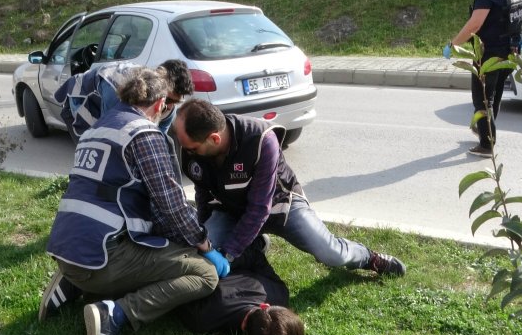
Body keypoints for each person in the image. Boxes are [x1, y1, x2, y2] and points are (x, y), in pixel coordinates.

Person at [42, 67, 230, 335]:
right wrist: (205, 245)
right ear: (159, 104)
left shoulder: (96, 129)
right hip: (102, 257)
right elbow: (171, 207)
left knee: (162, 244)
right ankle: (114, 314)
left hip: (68, 247)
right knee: (204, 274)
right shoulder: (144, 134)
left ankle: (71, 281)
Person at [173, 98, 406, 277]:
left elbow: (259, 209)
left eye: (191, 147)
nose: (186, 151)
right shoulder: (191, 150)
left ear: (214, 139)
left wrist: (229, 252)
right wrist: (205, 237)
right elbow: (202, 194)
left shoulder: (261, 139)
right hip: (230, 209)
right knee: (201, 255)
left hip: (280, 206)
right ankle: (255, 243)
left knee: (330, 253)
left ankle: (368, 257)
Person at [444, 0, 522, 158]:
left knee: (483, 100)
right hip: (511, 52)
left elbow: (475, 24)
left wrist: (453, 45)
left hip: (489, 54)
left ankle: (486, 145)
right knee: (494, 94)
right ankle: (485, 131)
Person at [176, 237, 305, 335]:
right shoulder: (202, 321)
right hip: (218, 248)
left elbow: (255, 256)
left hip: (196, 249)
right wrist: (223, 261)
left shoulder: (279, 293)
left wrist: (222, 263)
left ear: (265, 305)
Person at [54, 59, 193, 144]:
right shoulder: (118, 86)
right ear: (158, 82)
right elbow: (108, 132)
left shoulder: (169, 106)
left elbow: (157, 139)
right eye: (167, 99)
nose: (169, 106)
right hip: (84, 99)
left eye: (176, 102)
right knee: (93, 148)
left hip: (111, 103)